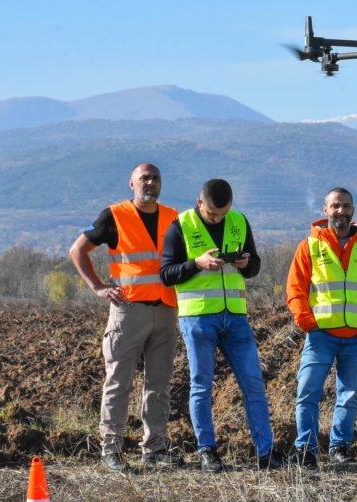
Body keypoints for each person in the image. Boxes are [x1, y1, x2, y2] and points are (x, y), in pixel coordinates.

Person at [159, 178, 281, 472]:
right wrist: (196, 264)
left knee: (254, 384)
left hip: (236, 317)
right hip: (198, 318)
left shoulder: (238, 221)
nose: (219, 218)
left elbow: (255, 266)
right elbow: (165, 274)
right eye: (213, 214)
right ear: (200, 203)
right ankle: (207, 451)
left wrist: (246, 264)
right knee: (201, 385)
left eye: (223, 213)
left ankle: (266, 453)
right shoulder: (180, 226)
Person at [69, 162, 182, 473]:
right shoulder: (114, 215)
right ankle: (111, 450)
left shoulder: (175, 217)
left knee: (159, 385)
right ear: (132, 183)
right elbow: (78, 250)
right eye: (144, 178)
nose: (151, 182)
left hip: (165, 309)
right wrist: (98, 287)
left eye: (155, 178)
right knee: (119, 382)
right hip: (128, 311)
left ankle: (154, 449)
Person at [286, 187, 357, 469]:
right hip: (321, 336)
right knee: (308, 392)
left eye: (345, 206)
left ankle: (340, 446)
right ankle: (305, 449)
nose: (340, 211)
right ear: (325, 211)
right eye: (335, 206)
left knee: (349, 395)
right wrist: (307, 322)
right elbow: (295, 289)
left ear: (353, 210)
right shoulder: (309, 246)